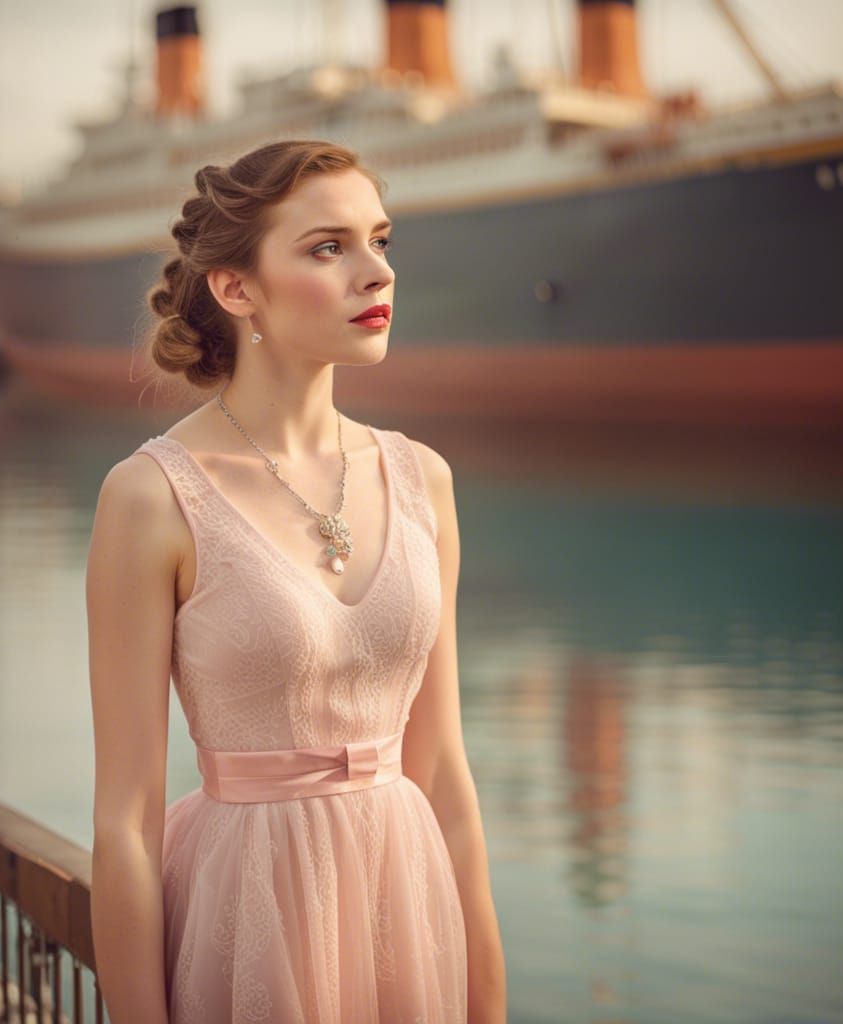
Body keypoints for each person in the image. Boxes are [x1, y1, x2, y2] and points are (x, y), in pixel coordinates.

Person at [85, 139, 506, 1023]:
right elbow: (126, 821)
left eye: (380, 241)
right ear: (237, 290)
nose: (376, 272)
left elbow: (444, 773)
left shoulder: (423, 478)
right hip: (248, 912)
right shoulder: (151, 496)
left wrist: (487, 1003)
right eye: (328, 247)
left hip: (407, 905)